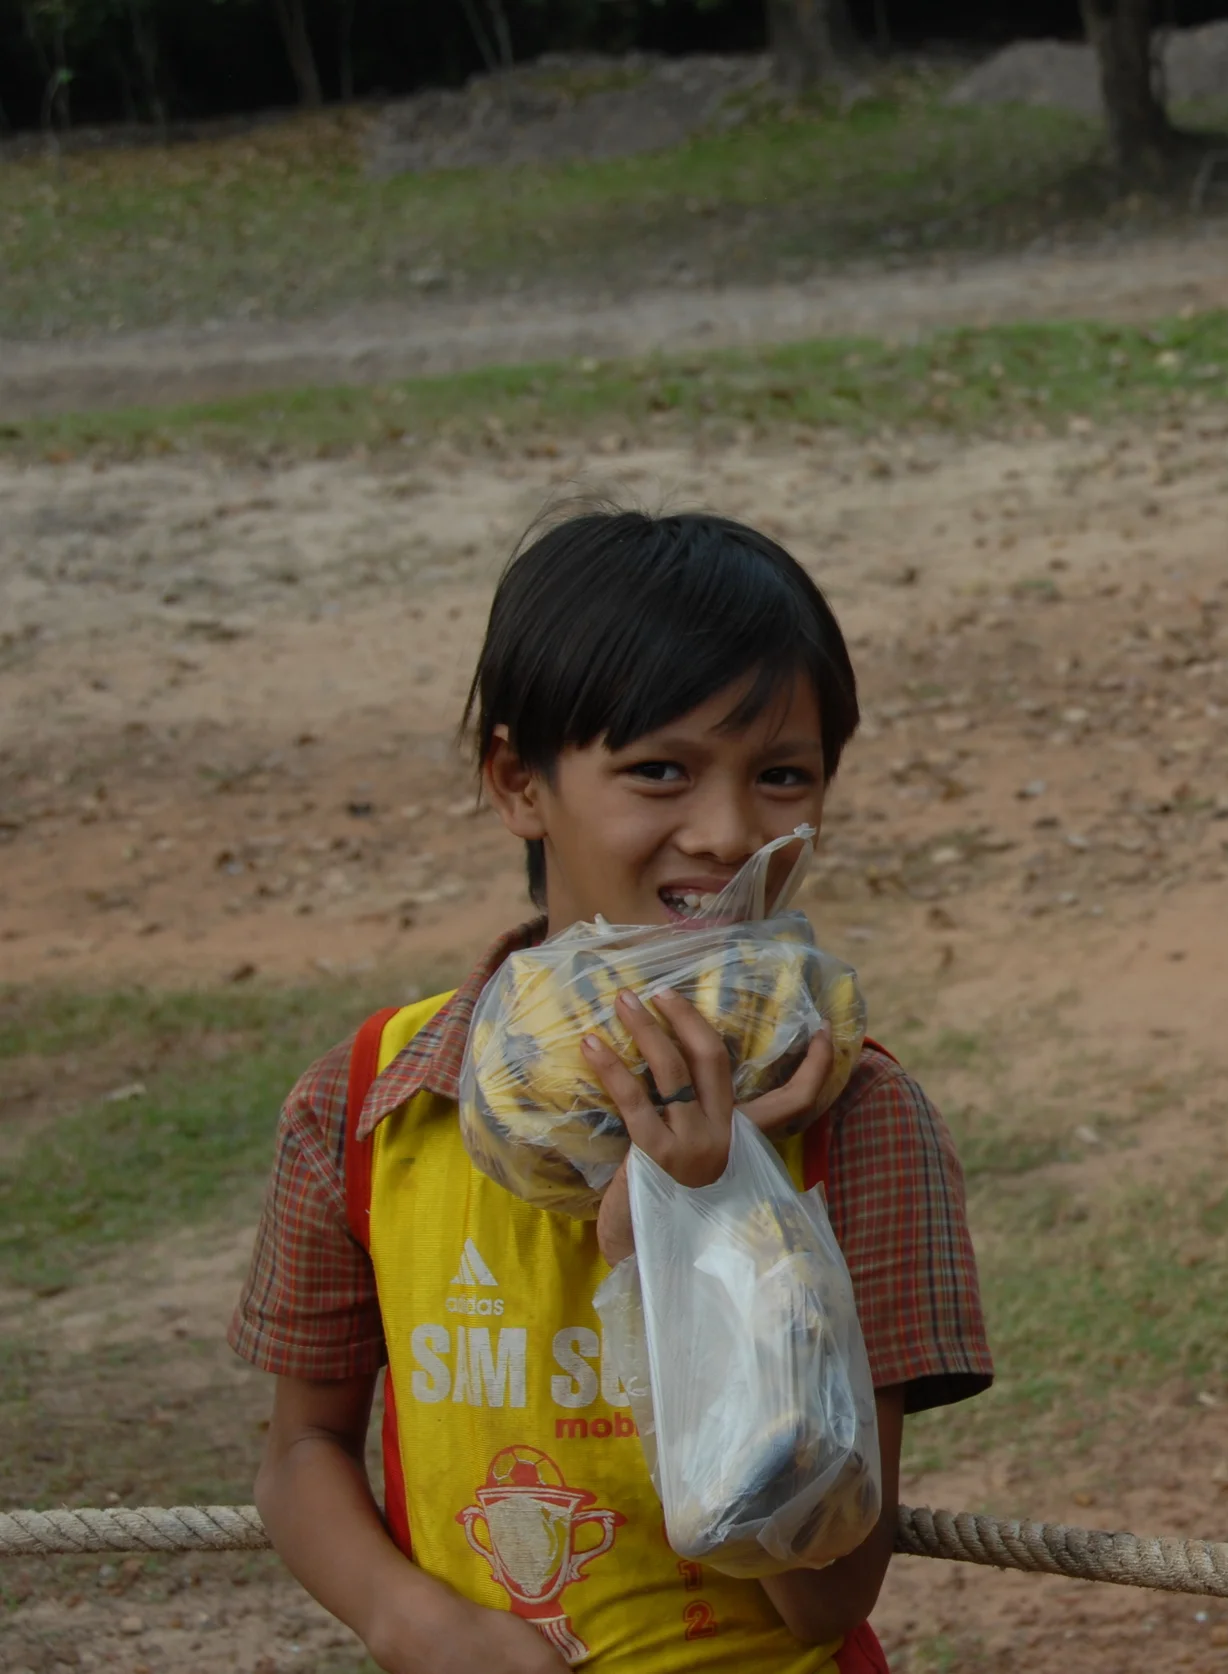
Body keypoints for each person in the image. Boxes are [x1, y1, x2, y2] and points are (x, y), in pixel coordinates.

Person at [230, 511, 989, 1674]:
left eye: (782, 776)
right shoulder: (371, 1101)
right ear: (517, 782)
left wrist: (692, 1236)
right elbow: (302, 1451)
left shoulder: (855, 1117)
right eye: (659, 772)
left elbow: (824, 1589)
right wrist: (413, 1622)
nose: (730, 831)